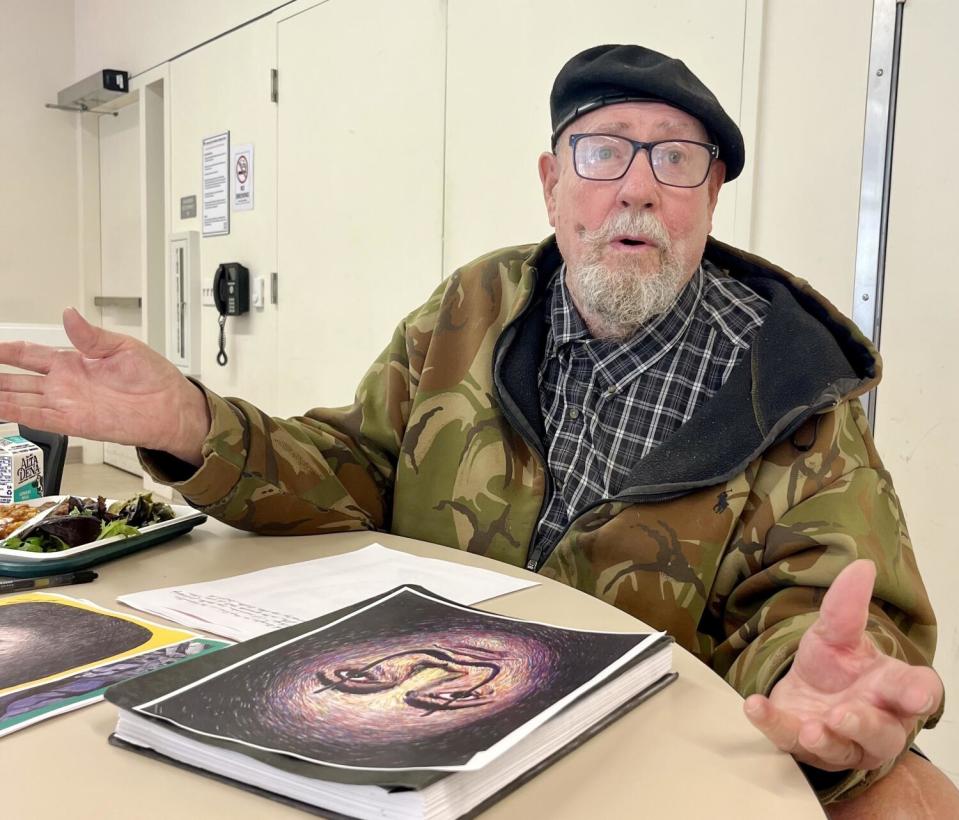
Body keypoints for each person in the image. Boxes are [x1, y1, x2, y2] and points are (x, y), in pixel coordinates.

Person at [0, 44, 954, 813]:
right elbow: (354, 466)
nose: (636, 187)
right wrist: (193, 421)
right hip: (393, 720)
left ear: (708, 199)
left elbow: (828, 610)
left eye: (675, 158)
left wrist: (811, 683)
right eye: (602, 150)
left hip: (620, 767)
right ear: (551, 182)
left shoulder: (787, 381)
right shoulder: (474, 304)